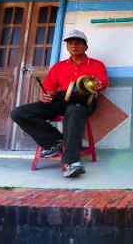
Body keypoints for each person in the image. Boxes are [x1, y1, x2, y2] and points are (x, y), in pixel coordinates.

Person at [11, 30, 108, 178]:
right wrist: (46, 95)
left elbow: (103, 82)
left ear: (85, 47)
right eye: (70, 43)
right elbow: (49, 87)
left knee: (74, 111)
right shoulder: (59, 66)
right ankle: (55, 141)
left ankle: (72, 162)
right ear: (67, 47)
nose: (74, 46)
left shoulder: (96, 64)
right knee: (19, 113)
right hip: (61, 99)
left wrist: (97, 85)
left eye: (77, 43)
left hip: (84, 101)